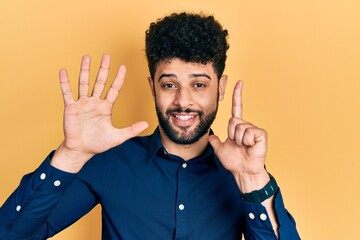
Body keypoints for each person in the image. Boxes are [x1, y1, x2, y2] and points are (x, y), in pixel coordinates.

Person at [0, 12, 300, 239]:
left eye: (199, 84)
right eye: (170, 84)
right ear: (152, 87)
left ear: (220, 88)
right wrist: (70, 153)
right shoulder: (110, 161)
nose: (184, 100)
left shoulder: (244, 172)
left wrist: (252, 180)